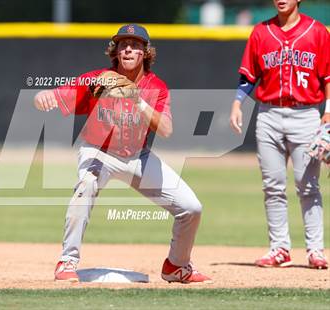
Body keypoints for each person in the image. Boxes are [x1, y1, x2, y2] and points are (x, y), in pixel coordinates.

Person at [34, 24, 212, 283]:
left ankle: (177, 265)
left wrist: (137, 99)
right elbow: (56, 94)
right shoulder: (100, 79)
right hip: (98, 151)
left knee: (191, 207)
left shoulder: (156, 87)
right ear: (115, 52)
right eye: (122, 44)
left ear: (145, 53)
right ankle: (67, 260)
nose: (128, 49)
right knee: (86, 183)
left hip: (137, 156)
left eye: (136, 45)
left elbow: (166, 129)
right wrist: (43, 95)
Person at [230, 0, 329, 269]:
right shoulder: (261, 32)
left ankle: (316, 250)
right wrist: (238, 103)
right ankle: (279, 249)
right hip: (269, 114)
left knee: (307, 186)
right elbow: (249, 76)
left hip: (306, 115)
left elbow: (329, 77)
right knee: (272, 187)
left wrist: (328, 114)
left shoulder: (317, 31)